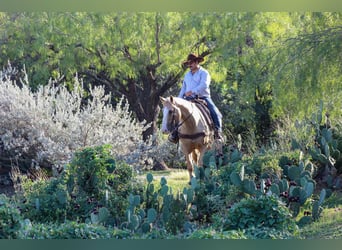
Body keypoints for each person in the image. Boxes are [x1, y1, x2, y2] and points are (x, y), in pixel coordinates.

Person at [178, 53, 223, 140]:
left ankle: (218, 132)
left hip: (203, 97)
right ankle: (175, 134)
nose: (189, 65)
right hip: (187, 99)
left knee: (215, 112)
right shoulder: (187, 75)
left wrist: (192, 91)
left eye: (191, 62)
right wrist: (178, 100)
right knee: (176, 113)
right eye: (188, 63)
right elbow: (183, 89)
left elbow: (204, 85)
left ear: (196, 62)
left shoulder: (204, 73)